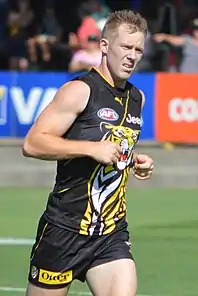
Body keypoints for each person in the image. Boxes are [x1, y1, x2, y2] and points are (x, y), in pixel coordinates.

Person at [23, 9, 154, 296]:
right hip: (63, 231)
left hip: (111, 233)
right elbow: (32, 143)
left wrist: (133, 162)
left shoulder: (137, 98)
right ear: (105, 46)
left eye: (138, 50)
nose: (132, 56)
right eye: (126, 47)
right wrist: (89, 149)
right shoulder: (79, 90)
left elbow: (113, 147)